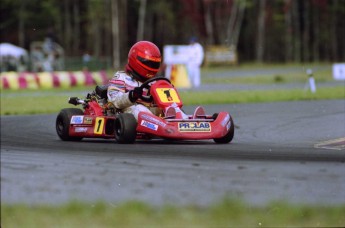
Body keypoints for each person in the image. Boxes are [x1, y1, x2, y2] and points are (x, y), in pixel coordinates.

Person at [107, 41, 187, 120]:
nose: (151, 66)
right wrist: (131, 96)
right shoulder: (121, 77)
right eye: (149, 63)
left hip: (152, 111)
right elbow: (114, 100)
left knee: (172, 107)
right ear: (136, 60)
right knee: (139, 108)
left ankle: (185, 121)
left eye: (154, 64)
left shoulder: (155, 82)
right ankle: (162, 126)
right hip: (129, 113)